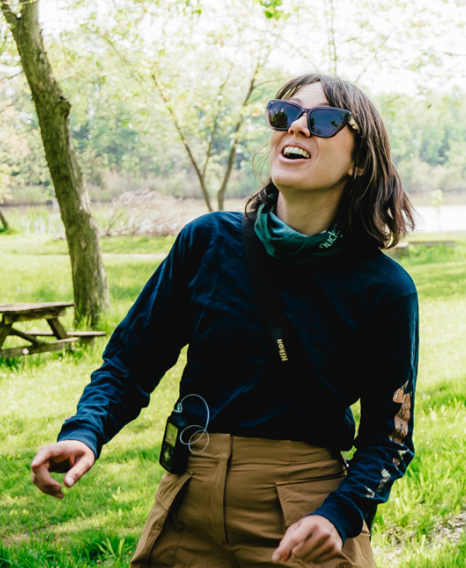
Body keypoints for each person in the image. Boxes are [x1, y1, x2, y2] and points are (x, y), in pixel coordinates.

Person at [27, 73, 419, 568]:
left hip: (304, 515)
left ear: (360, 160)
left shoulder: (384, 288)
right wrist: (85, 431)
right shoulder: (207, 242)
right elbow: (130, 361)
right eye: (285, 114)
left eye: (323, 121)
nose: (297, 127)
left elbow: (389, 438)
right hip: (188, 497)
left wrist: (340, 515)